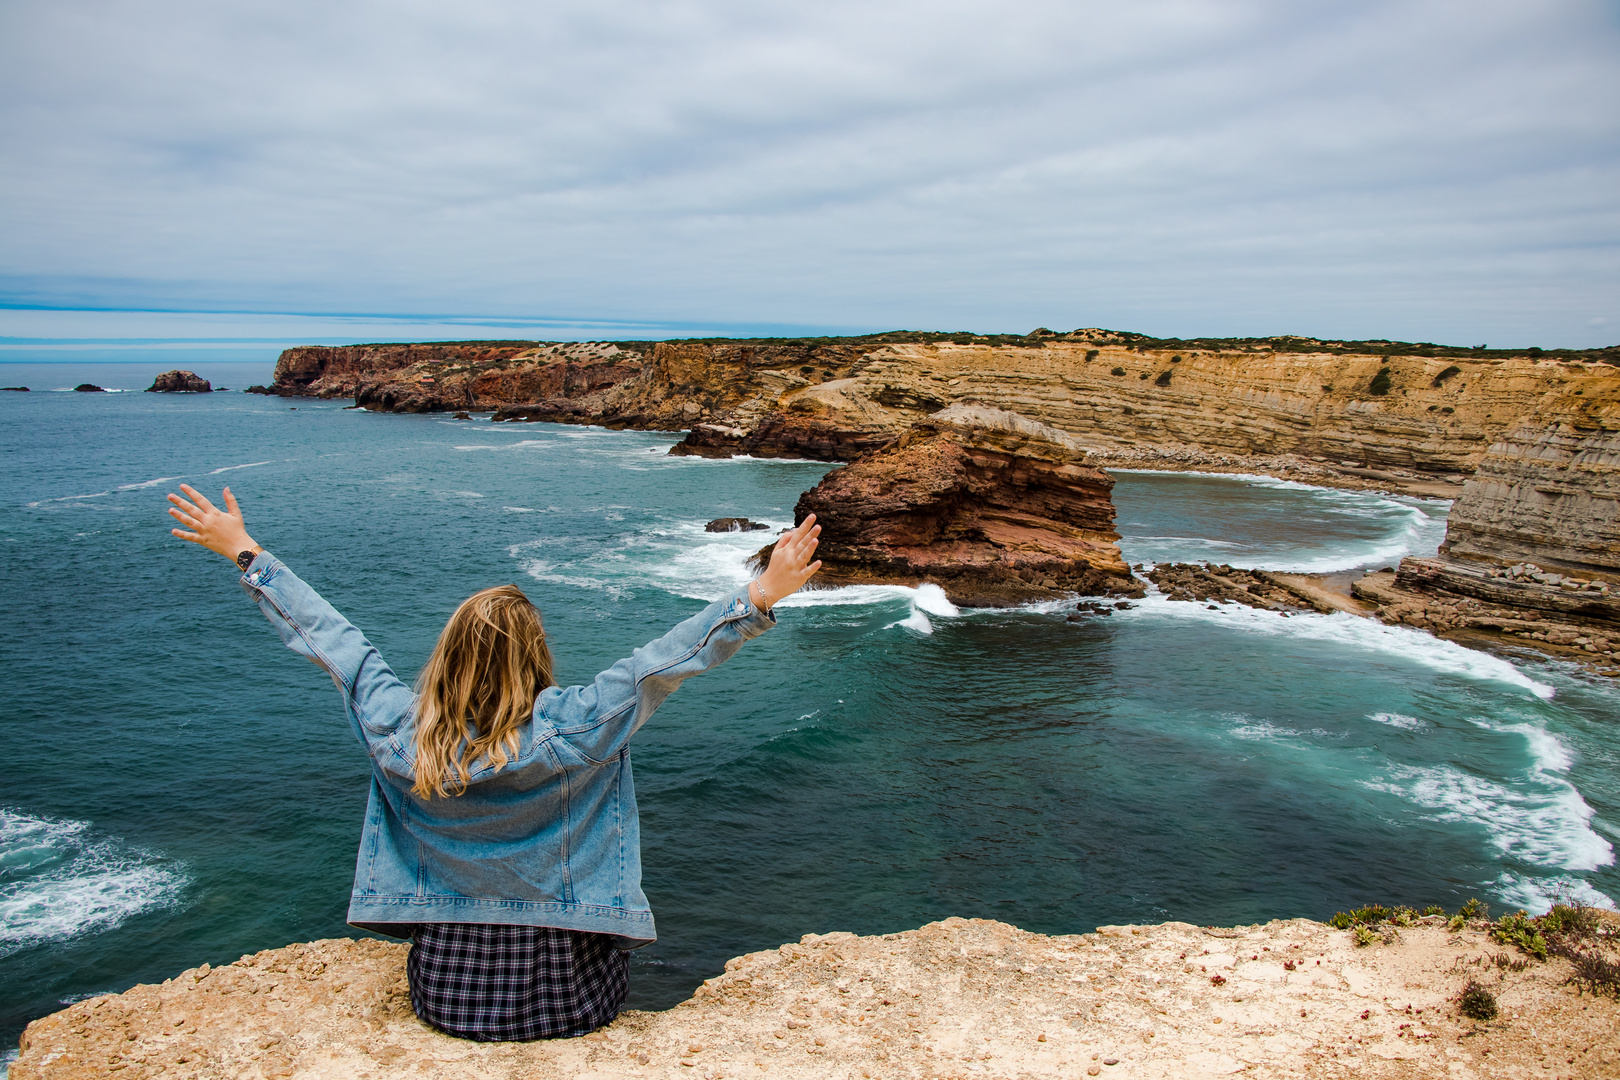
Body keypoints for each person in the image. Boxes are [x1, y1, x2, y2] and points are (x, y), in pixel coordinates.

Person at [165, 483, 821, 1041]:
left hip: (448, 1000)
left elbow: (337, 644)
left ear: (446, 656)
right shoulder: (578, 725)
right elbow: (664, 661)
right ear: (537, 658)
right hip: (573, 1001)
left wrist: (248, 553)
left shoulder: (403, 734)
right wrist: (761, 593)